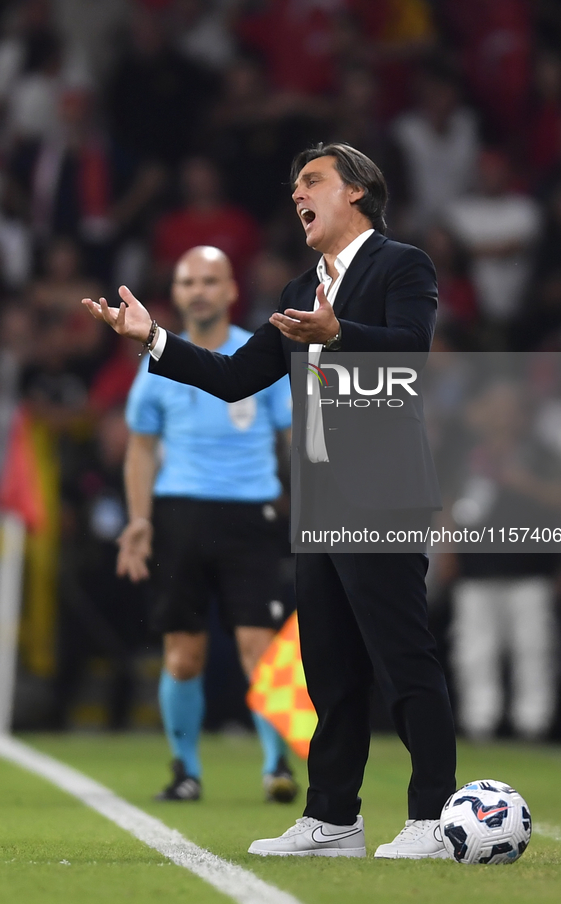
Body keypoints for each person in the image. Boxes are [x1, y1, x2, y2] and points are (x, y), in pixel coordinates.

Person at [83, 142, 457, 859]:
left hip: (382, 495)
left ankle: (433, 817)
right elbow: (231, 378)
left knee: (400, 658)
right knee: (328, 668)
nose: (297, 195)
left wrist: (338, 332)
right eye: (292, 187)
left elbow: (411, 348)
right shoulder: (295, 290)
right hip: (318, 502)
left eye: (311, 181)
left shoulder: (401, 264)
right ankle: (331, 820)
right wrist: (152, 339)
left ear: (357, 192)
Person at [117, 245, 297, 803]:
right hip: (179, 517)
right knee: (182, 655)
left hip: (252, 514)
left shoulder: (258, 357)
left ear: (230, 290)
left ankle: (278, 766)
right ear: (175, 292)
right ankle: (185, 771)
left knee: (260, 647)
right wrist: (140, 520)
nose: (198, 290)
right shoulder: (155, 365)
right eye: (188, 281)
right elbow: (141, 450)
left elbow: (294, 438)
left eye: (210, 281)